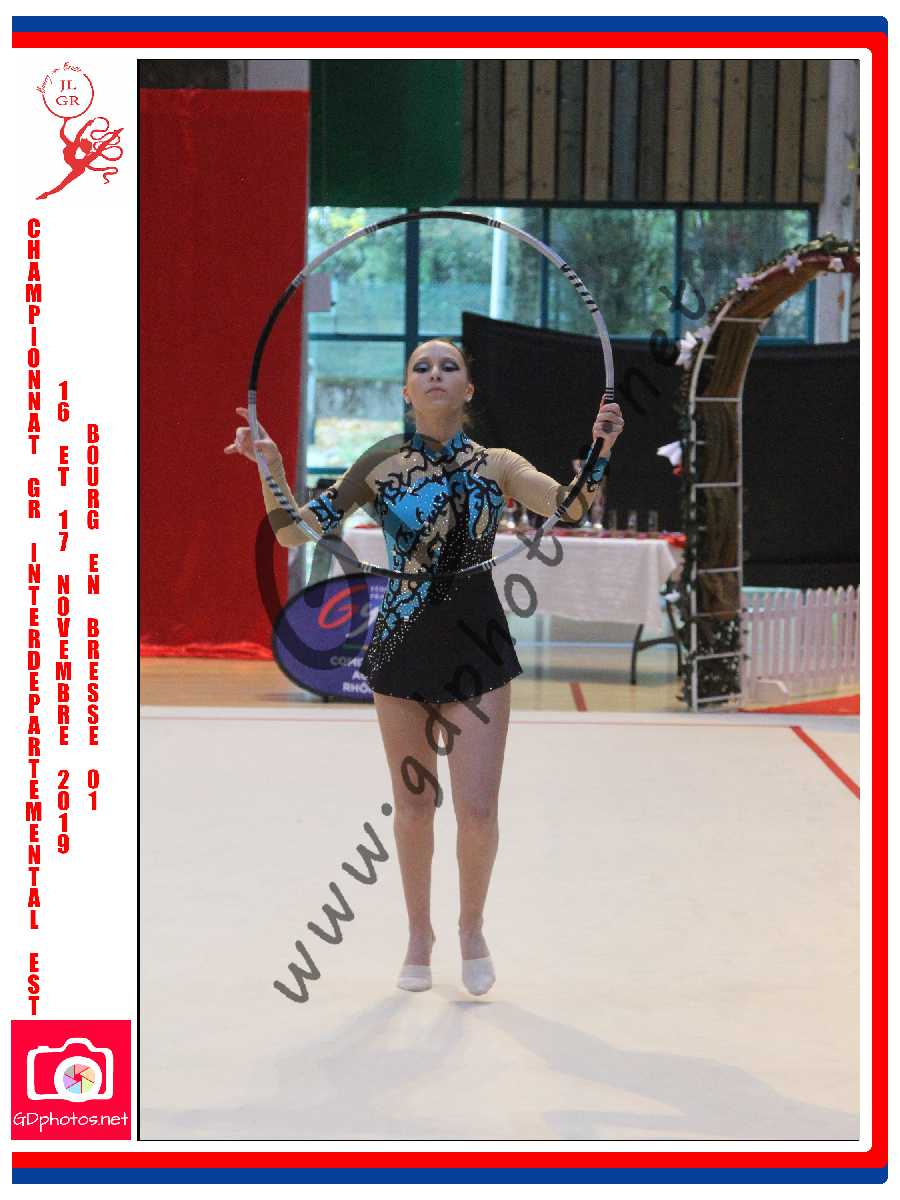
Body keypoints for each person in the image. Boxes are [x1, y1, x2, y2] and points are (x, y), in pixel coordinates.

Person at [226, 340, 624, 995]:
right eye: (421, 367)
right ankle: (420, 933)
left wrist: (601, 448)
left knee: (478, 810)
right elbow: (295, 531)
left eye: (449, 366)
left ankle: (471, 927)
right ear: (406, 392)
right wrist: (269, 466)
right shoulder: (380, 462)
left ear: (468, 389)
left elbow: (571, 507)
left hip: (477, 647)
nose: (435, 374)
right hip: (401, 642)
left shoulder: (497, 464)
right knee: (414, 807)